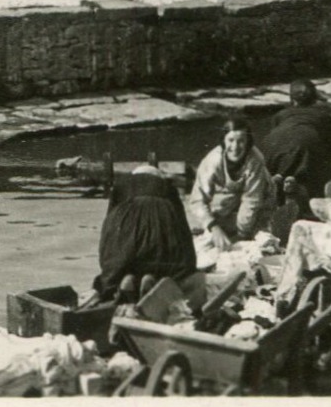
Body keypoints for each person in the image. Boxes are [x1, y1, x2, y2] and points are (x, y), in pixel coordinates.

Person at [95, 164, 202, 306]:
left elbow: (109, 221)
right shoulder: (168, 187)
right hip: (163, 226)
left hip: (128, 228)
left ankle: (126, 279)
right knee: (172, 269)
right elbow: (181, 223)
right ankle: (152, 279)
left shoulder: (122, 184)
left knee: (121, 264)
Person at [261, 80, 331, 234]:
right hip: (308, 143)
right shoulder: (325, 117)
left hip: (270, 145)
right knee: (311, 181)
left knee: (279, 175)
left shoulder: (280, 115)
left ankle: (281, 187)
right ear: (315, 99)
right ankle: (299, 194)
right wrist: (325, 181)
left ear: (292, 100)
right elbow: (328, 154)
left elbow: (278, 141)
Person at [188, 119, 275, 251]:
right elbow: (197, 200)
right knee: (208, 244)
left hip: (259, 202)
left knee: (261, 244)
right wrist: (213, 227)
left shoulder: (255, 160)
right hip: (228, 202)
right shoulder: (212, 161)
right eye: (230, 140)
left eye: (241, 141)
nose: (235, 147)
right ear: (223, 140)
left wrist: (242, 235)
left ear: (248, 143)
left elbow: (252, 200)